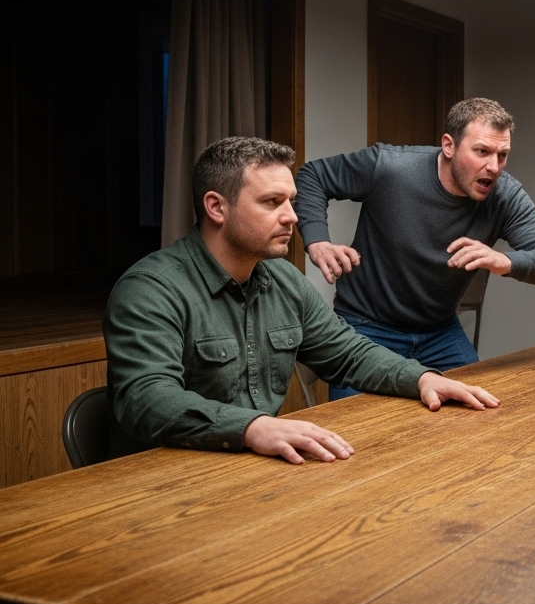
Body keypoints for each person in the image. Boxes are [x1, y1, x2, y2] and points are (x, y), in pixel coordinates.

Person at [105, 137, 499, 464]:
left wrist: (423, 378)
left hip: (250, 473)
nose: (292, 216)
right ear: (215, 207)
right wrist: (253, 427)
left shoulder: (283, 280)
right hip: (162, 483)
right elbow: (145, 399)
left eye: (291, 201)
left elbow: (349, 353)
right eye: (272, 202)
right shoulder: (150, 289)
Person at [294, 97, 535, 396]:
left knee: (478, 413)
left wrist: (504, 261)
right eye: (482, 152)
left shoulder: (504, 195)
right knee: (361, 431)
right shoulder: (390, 167)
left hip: (439, 332)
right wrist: (317, 240)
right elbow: (313, 176)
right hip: (366, 328)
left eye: (502, 155)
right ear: (449, 146)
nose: (493, 167)